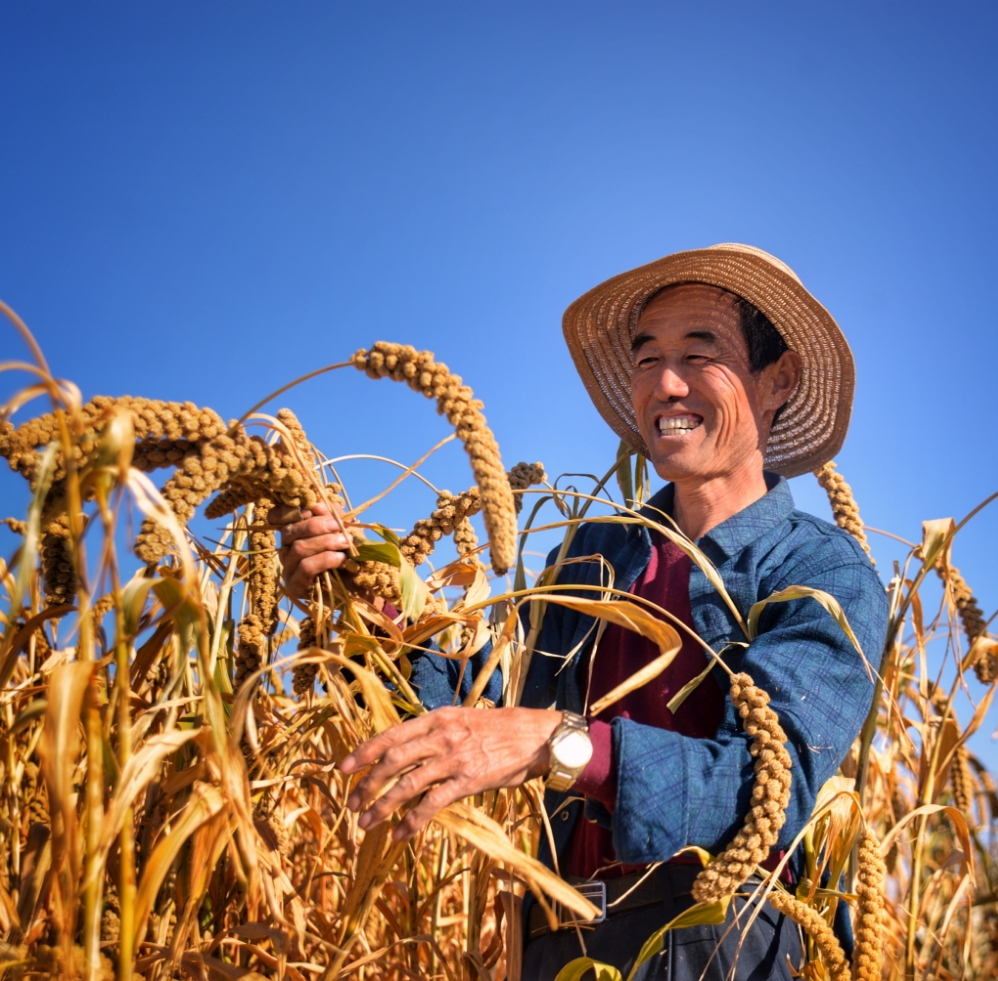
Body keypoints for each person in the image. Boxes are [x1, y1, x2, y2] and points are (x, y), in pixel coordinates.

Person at [275, 244, 887, 979]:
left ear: (777, 378)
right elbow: (490, 710)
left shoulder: (820, 572)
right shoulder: (597, 553)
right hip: (560, 939)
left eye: (700, 354)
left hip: (720, 939)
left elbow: (765, 788)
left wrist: (555, 743)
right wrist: (365, 606)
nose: (666, 384)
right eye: (646, 357)